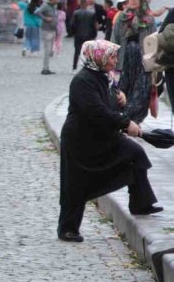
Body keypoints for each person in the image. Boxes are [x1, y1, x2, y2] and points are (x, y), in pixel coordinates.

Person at [57, 40, 161, 243]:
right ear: (98, 57)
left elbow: (109, 104)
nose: (115, 60)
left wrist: (119, 98)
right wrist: (125, 123)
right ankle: (67, 228)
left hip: (103, 136)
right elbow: (97, 111)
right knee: (75, 184)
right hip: (81, 140)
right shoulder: (83, 81)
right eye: (111, 56)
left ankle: (141, 202)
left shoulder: (106, 77)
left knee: (135, 153)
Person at [111, 0, 157, 123]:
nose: (133, 0)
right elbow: (115, 37)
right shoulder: (122, 17)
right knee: (122, 87)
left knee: (141, 89)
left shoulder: (149, 19)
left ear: (142, 0)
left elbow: (153, 40)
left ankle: (135, 119)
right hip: (124, 58)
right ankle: (122, 117)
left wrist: (153, 62)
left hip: (142, 60)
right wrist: (112, 54)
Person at [70, 0, 98, 71]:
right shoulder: (92, 13)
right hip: (89, 35)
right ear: (86, 4)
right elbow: (94, 26)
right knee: (88, 52)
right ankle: (88, 67)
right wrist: (94, 35)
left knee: (77, 51)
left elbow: (72, 24)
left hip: (78, 35)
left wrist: (73, 33)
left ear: (80, 3)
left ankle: (74, 67)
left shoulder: (76, 13)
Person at [36, 0, 59, 75]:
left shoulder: (54, 7)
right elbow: (37, 12)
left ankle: (47, 67)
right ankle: (45, 68)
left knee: (50, 51)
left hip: (53, 30)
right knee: (47, 50)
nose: (58, 0)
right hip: (46, 30)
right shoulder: (45, 5)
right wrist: (45, 18)